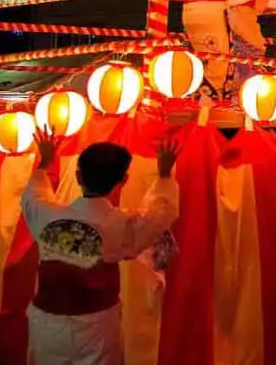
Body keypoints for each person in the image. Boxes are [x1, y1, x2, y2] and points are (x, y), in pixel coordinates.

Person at [22, 136, 179, 365]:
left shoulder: (48, 216)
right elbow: (159, 214)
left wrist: (44, 163)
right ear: (123, 180)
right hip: (97, 324)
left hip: (47, 322)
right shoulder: (119, 225)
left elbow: (33, 196)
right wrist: (164, 175)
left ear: (78, 177)